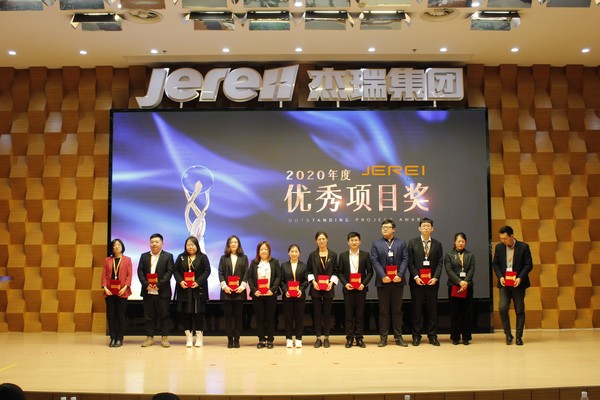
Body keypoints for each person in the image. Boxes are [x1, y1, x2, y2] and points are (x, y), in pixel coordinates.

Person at [370, 218, 409, 347]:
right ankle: (383, 337)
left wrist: (400, 274)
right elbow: (374, 261)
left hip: (398, 281)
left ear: (394, 229)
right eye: (383, 227)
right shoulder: (376, 244)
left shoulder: (401, 243)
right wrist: (383, 275)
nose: (384, 229)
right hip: (383, 282)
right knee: (383, 311)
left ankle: (398, 337)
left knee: (397, 310)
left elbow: (405, 259)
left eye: (387, 227)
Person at [492, 225, 533, 346]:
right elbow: (495, 264)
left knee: (519, 309)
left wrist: (520, 277)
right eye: (501, 238)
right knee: (503, 307)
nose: (503, 241)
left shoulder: (523, 247)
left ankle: (519, 336)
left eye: (505, 238)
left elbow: (529, 265)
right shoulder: (499, 247)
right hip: (505, 283)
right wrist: (500, 277)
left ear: (512, 236)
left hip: (518, 283)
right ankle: (508, 334)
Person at [407, 217, 444, 346]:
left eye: (428, 226)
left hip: (432, 283)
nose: (426, 228)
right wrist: (416, 277)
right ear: (419, 228)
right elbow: (410, 262)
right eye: (424, 226)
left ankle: (432, 335)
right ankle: (416, 336)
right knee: (416, 310)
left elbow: (440, 263)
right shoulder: (412, 243)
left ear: (432, 228)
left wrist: (435, 277)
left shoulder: (437, 244)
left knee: (432, 310)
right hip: (417, 282)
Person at [137, 233, 175, 348]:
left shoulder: (168, 256)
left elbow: (169, 272)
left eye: (157, 242)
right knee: (149, 316)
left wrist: (159, 285)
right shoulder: (144, 256)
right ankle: (150, 338)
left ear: (162, 243)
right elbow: (140, 272)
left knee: (164, 315)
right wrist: (146, 284)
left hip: (162, 291)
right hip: (148, 291)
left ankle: (164, 337)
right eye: (152, 242)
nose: (154, 244)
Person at [173, 236, 211, 348]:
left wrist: (198, 282)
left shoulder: (203, 257)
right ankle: (189, 338)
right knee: (185, 314)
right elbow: (175, 270)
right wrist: (180, 281)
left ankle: (199, 337)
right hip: (184, 290)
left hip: (198, 290)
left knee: (198, 314)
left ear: (197, 246)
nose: (190, 247)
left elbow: (207, 271)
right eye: (188, 245)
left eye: (193, 244)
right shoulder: (181, 257)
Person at [337, 232, 373, 348]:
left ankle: (359, 338)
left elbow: (370, 272)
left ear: (360, 241)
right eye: (351, 240)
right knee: (349, 315)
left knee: (360, 315)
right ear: (348, 242)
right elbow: (340, 272)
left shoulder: (365, 255)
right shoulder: (343, 255)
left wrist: (363, 284)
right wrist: (345, 284)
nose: (354, 242)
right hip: (348, 289)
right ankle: (349, 338)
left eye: (356, 240)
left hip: (361, 289)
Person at [307, 231, 338, 348]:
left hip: (329, 288)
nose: (321, 241)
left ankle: (326, 338)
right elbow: (309, 271)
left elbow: (336, 271)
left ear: (327, 240)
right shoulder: (312, 255)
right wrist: (313, 282)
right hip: (316, 288)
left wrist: (331, 282)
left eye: (323, 239)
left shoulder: (333, 255)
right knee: (317, 314)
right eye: (319, 239)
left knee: (327, 314)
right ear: (316, 241)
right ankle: (318, 338)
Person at [248, 241, 281, 349]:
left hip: (270, 294)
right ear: (258, 251)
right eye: (261, 249)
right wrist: (254, 290)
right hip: (257, 295)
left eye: (265, 249)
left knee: (270, 317)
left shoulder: (274, 262)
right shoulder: (254, 263)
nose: (263, 251)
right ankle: (261, 339)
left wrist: (272, 289)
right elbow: (250, 278)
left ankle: (270, 339)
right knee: (260, 318)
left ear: (269, 251)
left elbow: (278, 277)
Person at [444, 232, 476, 345]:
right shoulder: (449, 255)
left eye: (463, 241)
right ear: (454, 242)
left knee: (467, 312)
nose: (461, 243)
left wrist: (465, 282)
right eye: (458, 241)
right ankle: (455, 337)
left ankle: (466, 337)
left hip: (467, 286)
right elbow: (449, 270)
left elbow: (472, 269)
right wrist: (459, 281)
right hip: (454, 286)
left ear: (465, 242)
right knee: (455, 312)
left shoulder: (470, 255)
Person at [218, 235, 249, 348]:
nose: (233, 244)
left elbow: (246, 273)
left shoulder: (244, 258)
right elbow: (220, 273)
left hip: (239, 292)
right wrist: (224, 286)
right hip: (227, 292)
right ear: (228, 245)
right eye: (231, 242)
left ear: (238, 244)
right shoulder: (223, 258)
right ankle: (229, 339)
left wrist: (242, 286)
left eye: (235, 242)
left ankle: (237, 339)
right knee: (228, 317)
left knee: (238, 317)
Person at [101, 238, 133, 347]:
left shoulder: (127, 260)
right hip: (109, 291)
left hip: (122, 291)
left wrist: (125, 287)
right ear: (112, 248)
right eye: (114, 245)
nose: (117, 246)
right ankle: (112, 337)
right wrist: (105, 287)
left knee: (120, 315)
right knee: (111, 315)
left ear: (122, 246)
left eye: (119, 244)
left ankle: (119, 338)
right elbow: (104, 275)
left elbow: (129, 275)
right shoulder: (107, 260)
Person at [280, 244, 309, 348]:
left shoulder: (304, 266)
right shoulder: (284, 266)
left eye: (296, 251)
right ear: (288, 253)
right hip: (287, 296)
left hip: (299, 296)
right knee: (288, 318)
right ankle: (288, 339)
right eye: (292, 251)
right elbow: (281, 281)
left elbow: (306, 280)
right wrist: (285, 291)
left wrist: (301, 290)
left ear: (299, 253)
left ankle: (298, 339)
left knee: (299, 318)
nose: (294, 253)